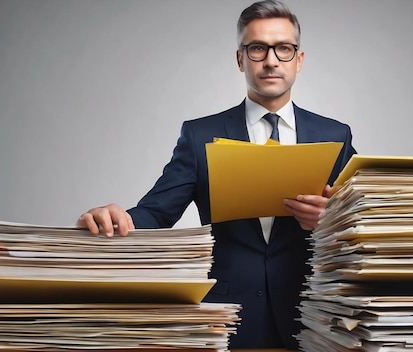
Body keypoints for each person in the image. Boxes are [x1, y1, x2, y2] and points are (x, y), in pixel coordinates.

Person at [77, 0, 356, 349]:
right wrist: (115, 219)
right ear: (240, 58)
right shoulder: (199, 136)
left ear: (299, 59)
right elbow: (157, 212)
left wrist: (331, 220)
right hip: (226, 316)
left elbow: (365, 224)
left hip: (313, 315)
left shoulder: (334, 135)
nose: (271, 60)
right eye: (257, 48)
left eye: (283, 48)